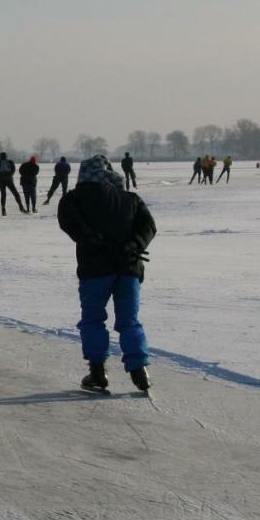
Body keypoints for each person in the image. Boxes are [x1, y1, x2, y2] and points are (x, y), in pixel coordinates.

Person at [57, 155, 157, 393]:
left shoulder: (73, 198)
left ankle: (97, 372)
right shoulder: (130, 198)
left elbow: (69, 223)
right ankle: (139, 370)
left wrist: (92, 239)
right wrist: (134, 244)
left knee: (93, 320)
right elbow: (149, 226)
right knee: (129, 320)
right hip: (128, 268)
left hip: (95, 269)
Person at [0, 151, 28, 216]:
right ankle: (17, 207)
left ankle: (17, 207)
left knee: (8, 194)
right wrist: (2, 175)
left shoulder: (3, 162)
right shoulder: (1, 162)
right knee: (10, 194)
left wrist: (1, 175)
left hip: (5, 179)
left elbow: (13, 169)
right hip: (5, 179)